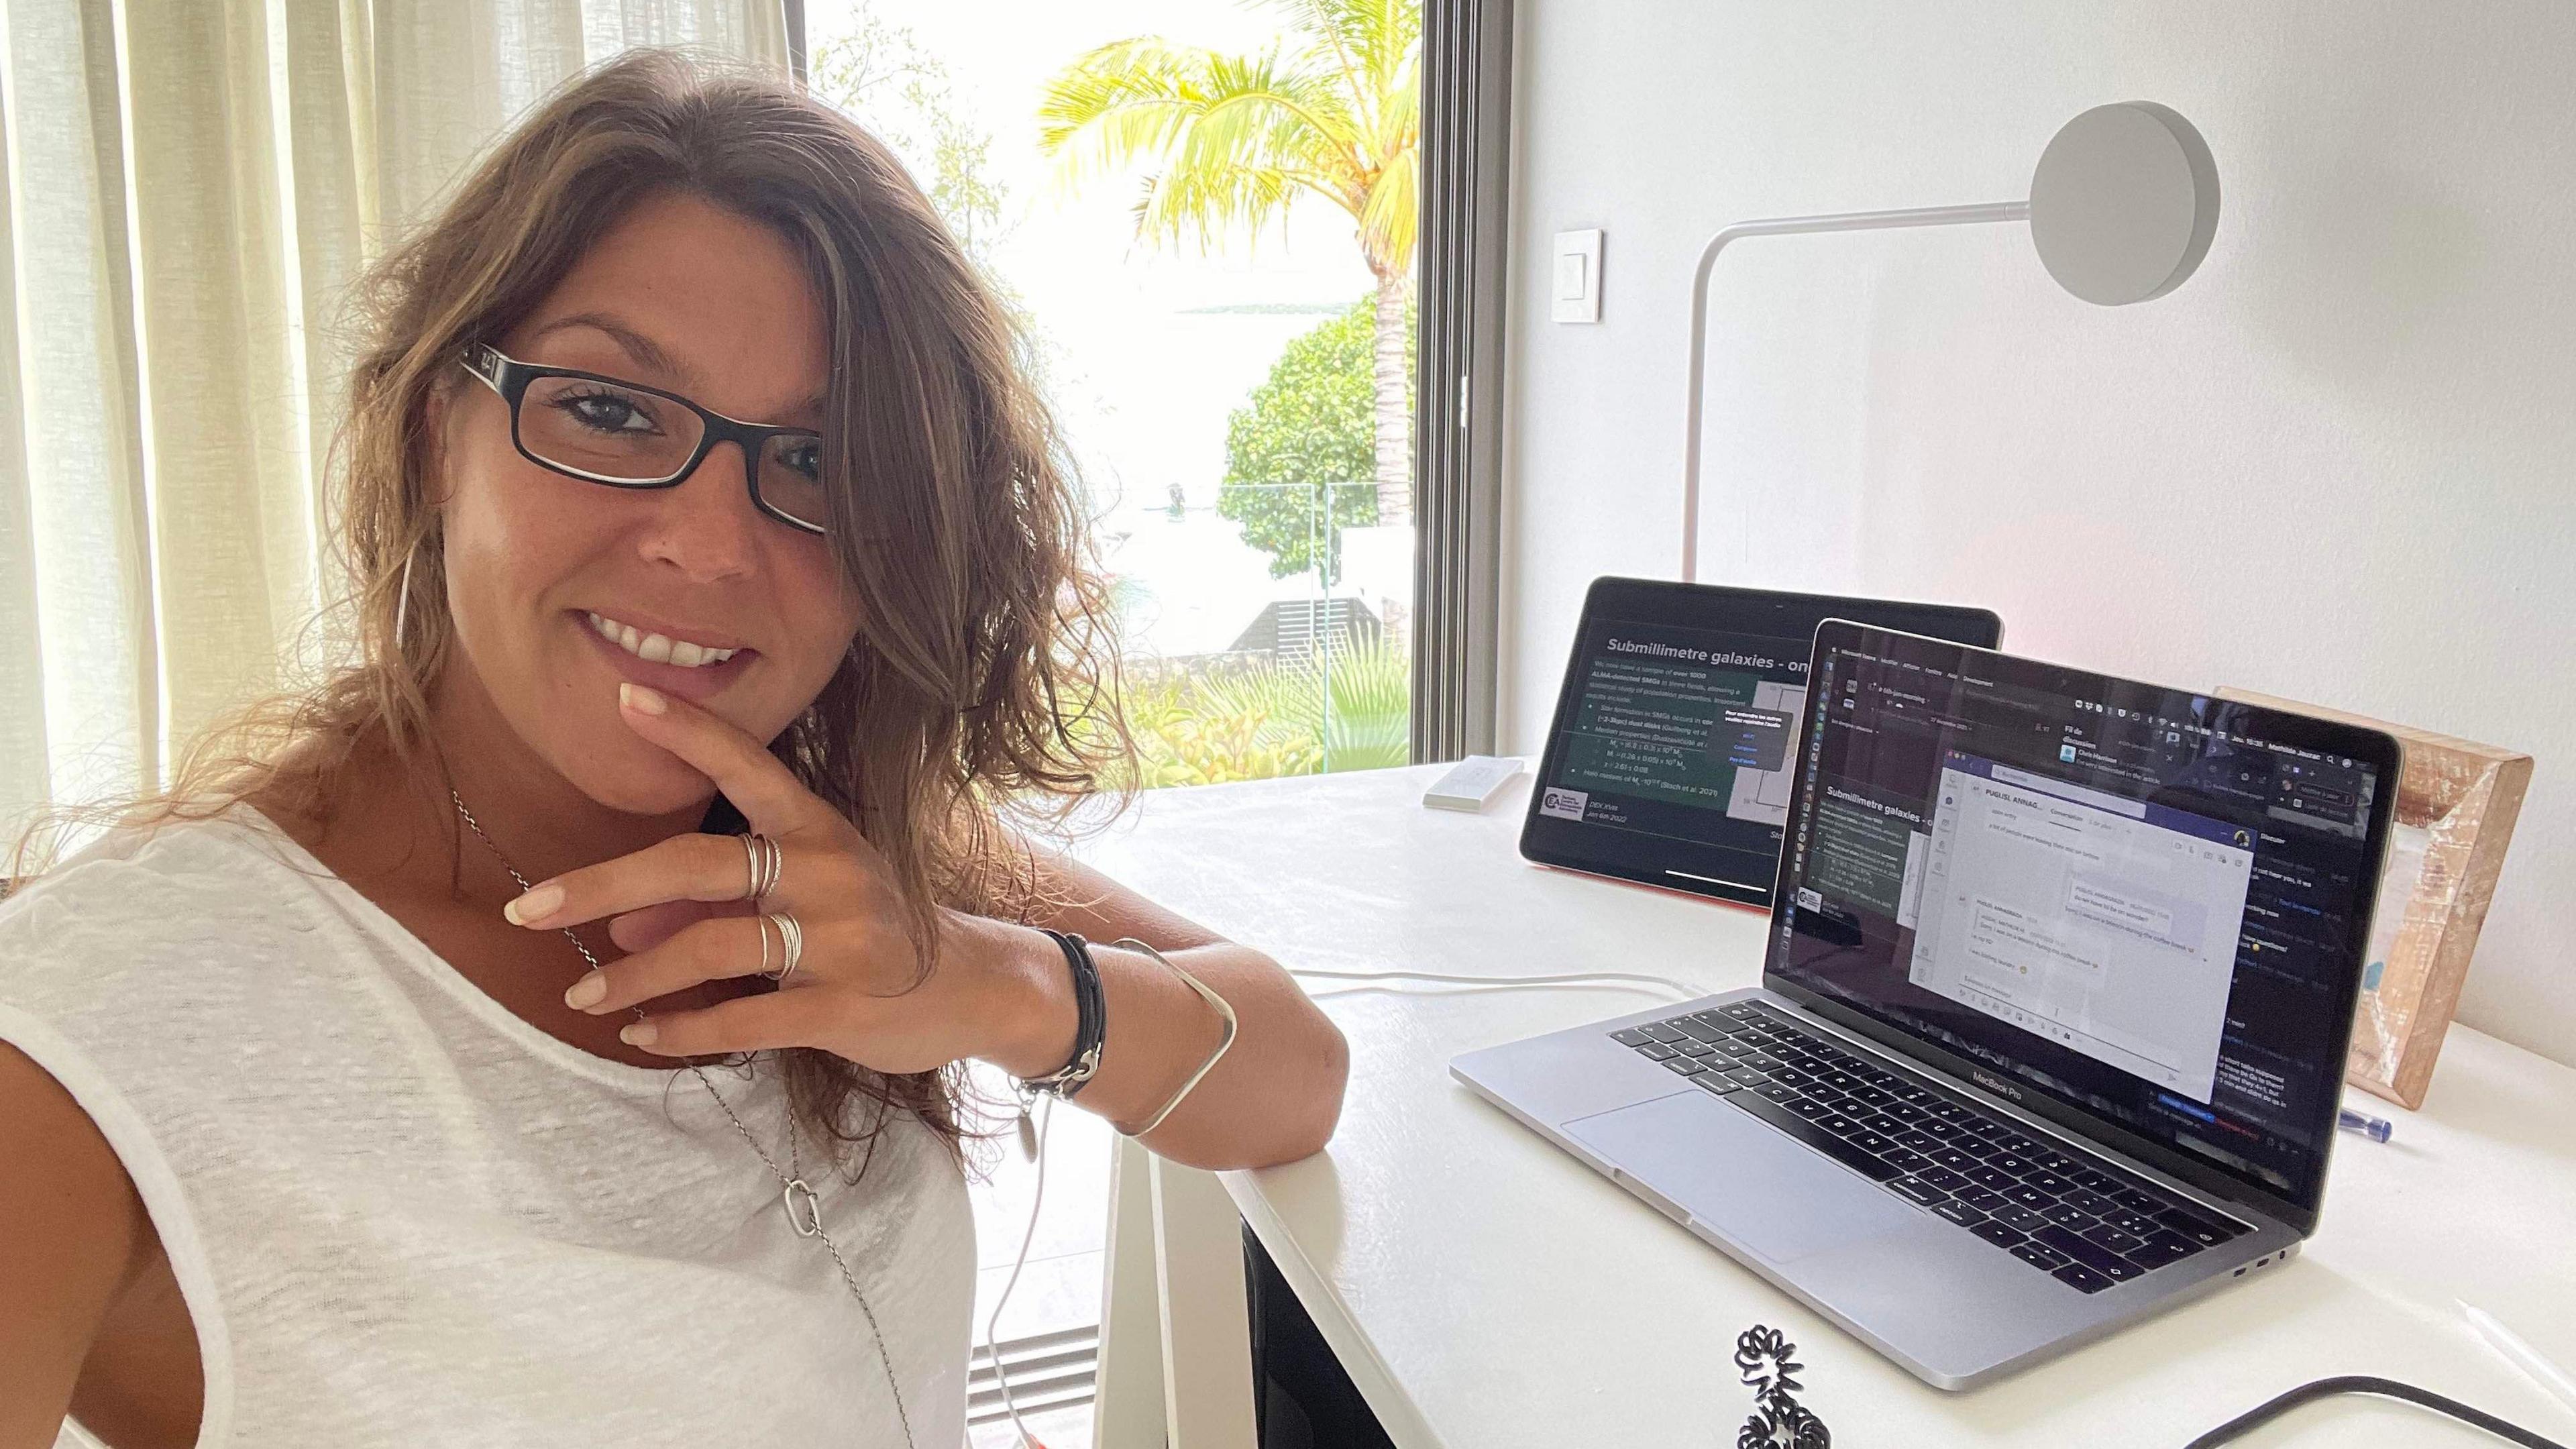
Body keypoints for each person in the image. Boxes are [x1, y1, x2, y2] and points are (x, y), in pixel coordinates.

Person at [0, 50, 1347, 1449]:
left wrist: (984, 986)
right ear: (431, 434)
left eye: (817, 465)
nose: (709, 545)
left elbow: (1295, 1075)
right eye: (609, 410)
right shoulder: (89, 1037)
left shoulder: (826, 858)